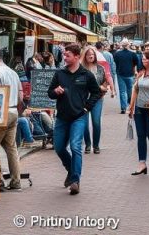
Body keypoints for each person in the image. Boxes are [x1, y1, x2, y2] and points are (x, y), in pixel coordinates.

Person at [48, 43, 102, 195]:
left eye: (67, 55)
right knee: (59, 148)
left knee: (75, 147)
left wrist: (86, 108)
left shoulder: (86, 75)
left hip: (79, 117)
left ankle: (75, 181)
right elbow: (49, 93)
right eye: (64, 55)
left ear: (77, 57)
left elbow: (96, 93)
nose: (64, 57)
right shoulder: (60, 73)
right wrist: (55, 91)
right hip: (62, 117)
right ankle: (71, 170)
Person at [0, 45, 25, 189]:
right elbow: (21, 96)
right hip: (14, 112)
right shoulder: (13, 73)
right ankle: (16, 182)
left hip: (2, 114)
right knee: (11, 148)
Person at [81, 45, 114, 154]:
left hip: (97, 99)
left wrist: (102, 88)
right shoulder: (80, 69)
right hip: (84, 99)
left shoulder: (100, 68)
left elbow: (105, 86)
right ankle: (87, 144)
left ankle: (96, 145)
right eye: (88, 54)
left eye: (92, 54)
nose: (90, 56)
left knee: (96, 122)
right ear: (84, 56)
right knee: (84, 124)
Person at [115, 40, 143, 114]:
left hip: (120, 74)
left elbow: (116, 63)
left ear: (122, 45)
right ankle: (130, 106)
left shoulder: (117, 54)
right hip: (130, 74)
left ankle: (123, 108)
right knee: (130, 90)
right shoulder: (132, 54)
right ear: (128, 45)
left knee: (122, 91)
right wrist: (136, 70)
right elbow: (137, 63)